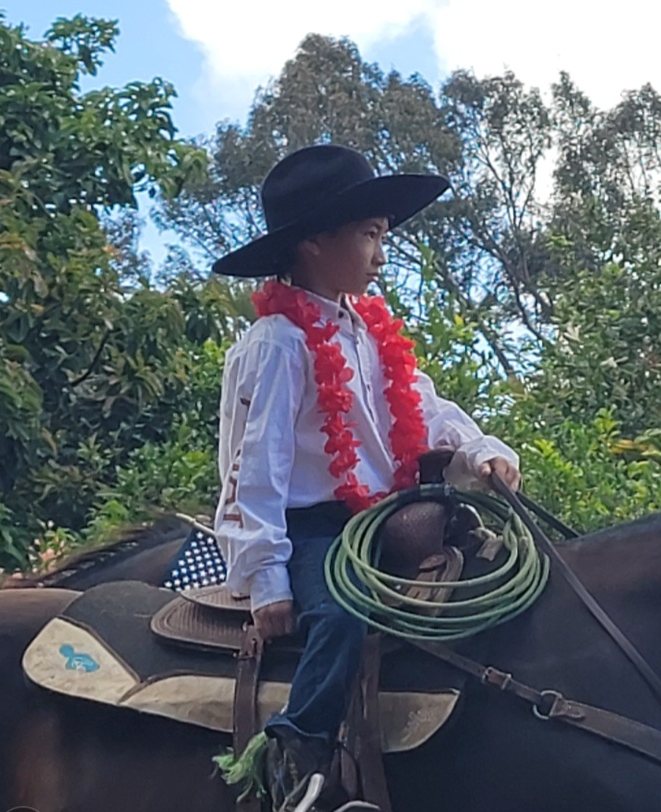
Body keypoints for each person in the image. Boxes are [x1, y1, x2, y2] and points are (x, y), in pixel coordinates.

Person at [212, 144, 520, 812]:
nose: (383, 252)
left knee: (491, 577)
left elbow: (426, 411)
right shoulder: (275, 344)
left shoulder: (372, 332)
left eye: (384, 235)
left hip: (387, 517)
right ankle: (299, 754)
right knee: (342, 616)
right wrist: (265, 576)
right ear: (315, 243)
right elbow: (251, 468)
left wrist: (478, 452)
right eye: (370, 235)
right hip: (311, 531)